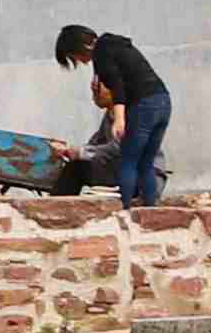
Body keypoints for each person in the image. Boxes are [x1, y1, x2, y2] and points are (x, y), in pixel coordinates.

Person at [52, 21, 171, 204]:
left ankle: (127, 210)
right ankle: (149, 206)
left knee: (128, 161)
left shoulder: (103, 54)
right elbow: (96, 145)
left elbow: (117, 147)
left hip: (138, 174)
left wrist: (120, 118)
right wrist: (72, 151)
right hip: (162, 101)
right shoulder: (115, 47)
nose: (94, 89)